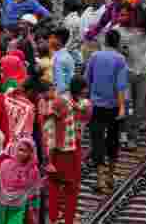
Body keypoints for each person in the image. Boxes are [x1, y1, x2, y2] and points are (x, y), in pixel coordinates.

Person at [41, 75, 91, 224]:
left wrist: (48, 157)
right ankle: (68, 219)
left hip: (61, 150)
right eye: (84, 89)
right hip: (68, 150)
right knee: (71, 188)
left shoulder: (61, 102)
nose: (86, 91)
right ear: (80, 90)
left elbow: (48, 128)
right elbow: (86, 113)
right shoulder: (79, 104)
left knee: (55, 186)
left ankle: (53, 219)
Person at [85, 28, 128, 193]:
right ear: (118, 43)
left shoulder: (95, 56)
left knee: (97, 140)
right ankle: (110, 175)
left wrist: (87, 99)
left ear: (105, 41)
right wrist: (122, 107)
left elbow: (88, 79)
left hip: (96, 105)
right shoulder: (120, 59)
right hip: (113, 106)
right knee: (113, 139)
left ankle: (100, 179)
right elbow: (121, 86)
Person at [0, 140, 43, 224]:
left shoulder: (33, 170)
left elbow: (35, 191)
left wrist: (34, 209)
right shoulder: (6, 164)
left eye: (26, 151)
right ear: (16, 149)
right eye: (20, 150)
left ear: (31, 153)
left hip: (18, 206)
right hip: (1, 204)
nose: (22, 153)